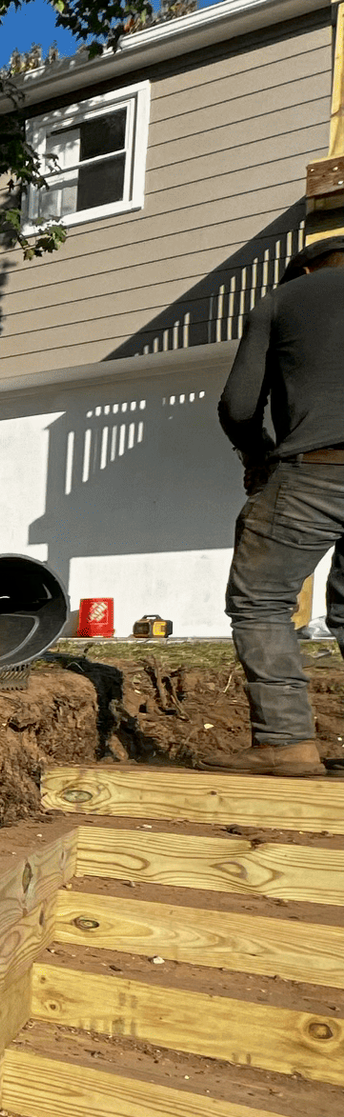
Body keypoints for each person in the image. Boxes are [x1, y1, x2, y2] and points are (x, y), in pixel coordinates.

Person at [213, 233, 344, 776]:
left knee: (261, 601)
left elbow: (240, 405)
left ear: (307, 271)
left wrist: (259, 455)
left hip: (314, 472)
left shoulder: (282, 301)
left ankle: (286, 741)